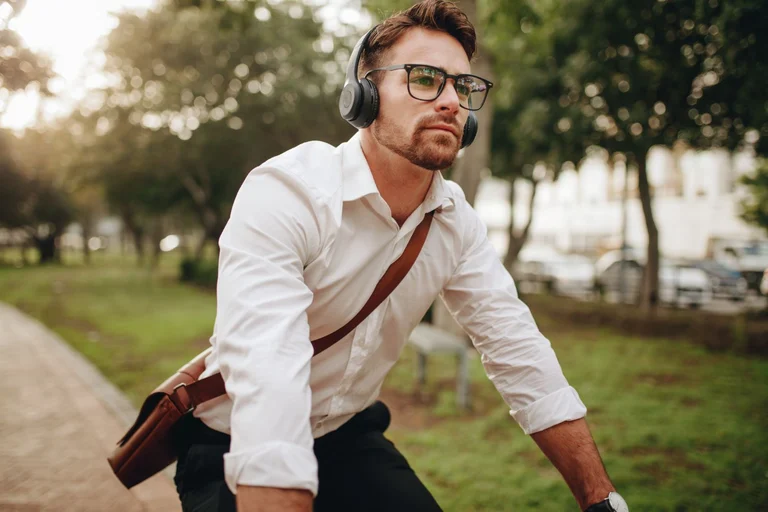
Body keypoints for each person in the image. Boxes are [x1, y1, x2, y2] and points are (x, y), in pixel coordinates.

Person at [173, 1, 628, 511]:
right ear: (363, 96)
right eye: (426, 78)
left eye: (463, 86)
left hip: (347, 436)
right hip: (232, 442)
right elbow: (268, 370)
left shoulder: (456, 222)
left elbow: (518, 352)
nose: (451, 101)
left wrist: (600, 499)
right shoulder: (288, 193)